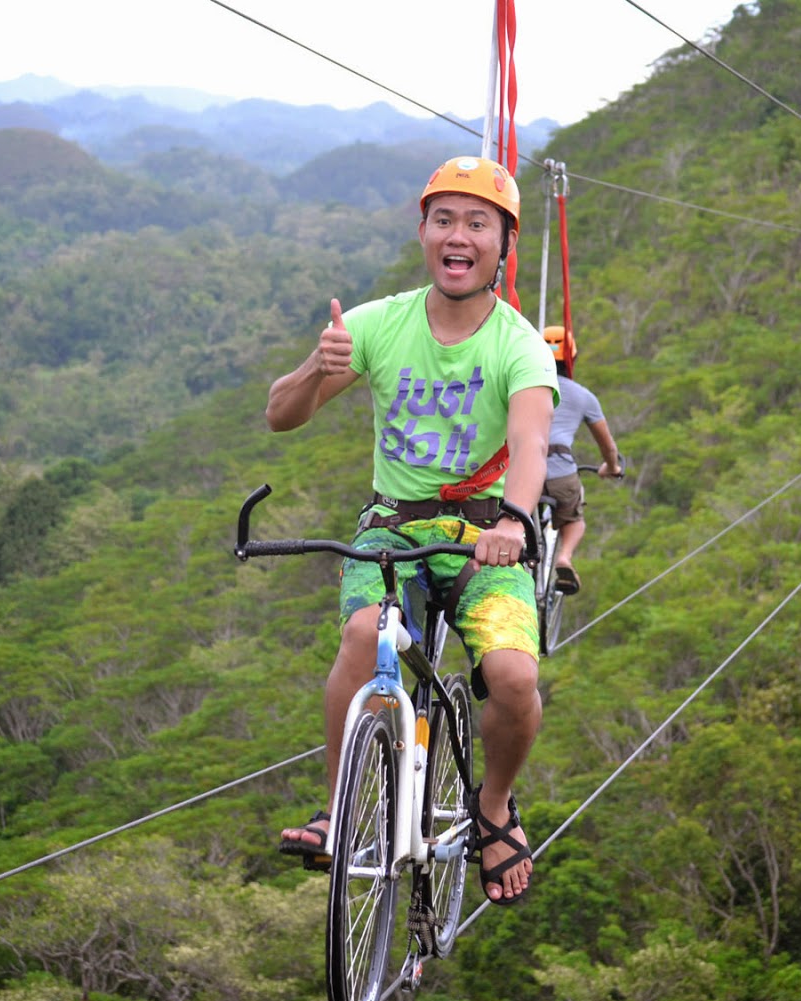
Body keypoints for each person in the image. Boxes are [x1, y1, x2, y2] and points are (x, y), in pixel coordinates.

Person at [266, 156, 558, 905]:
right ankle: (339, 808)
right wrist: (315, 366)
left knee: (516, 679)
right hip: (393, 531)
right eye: (444, 219)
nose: (458, 235)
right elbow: (282, 413)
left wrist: (517, 524)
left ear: (503, 245)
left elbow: (528, 446)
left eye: (477, 223)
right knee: (364, 635)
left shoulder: (518, 345)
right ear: (424, 232)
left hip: (487, 536)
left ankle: (493, 809)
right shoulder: (374, 325)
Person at [539, 325, 623, 596]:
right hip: (561, 474)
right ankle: (564, 556)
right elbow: (607, 446)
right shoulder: (583, 396)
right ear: (572, 359)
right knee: (574, 516)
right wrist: (611, 467)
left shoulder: (522, 387)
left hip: (521, 469)